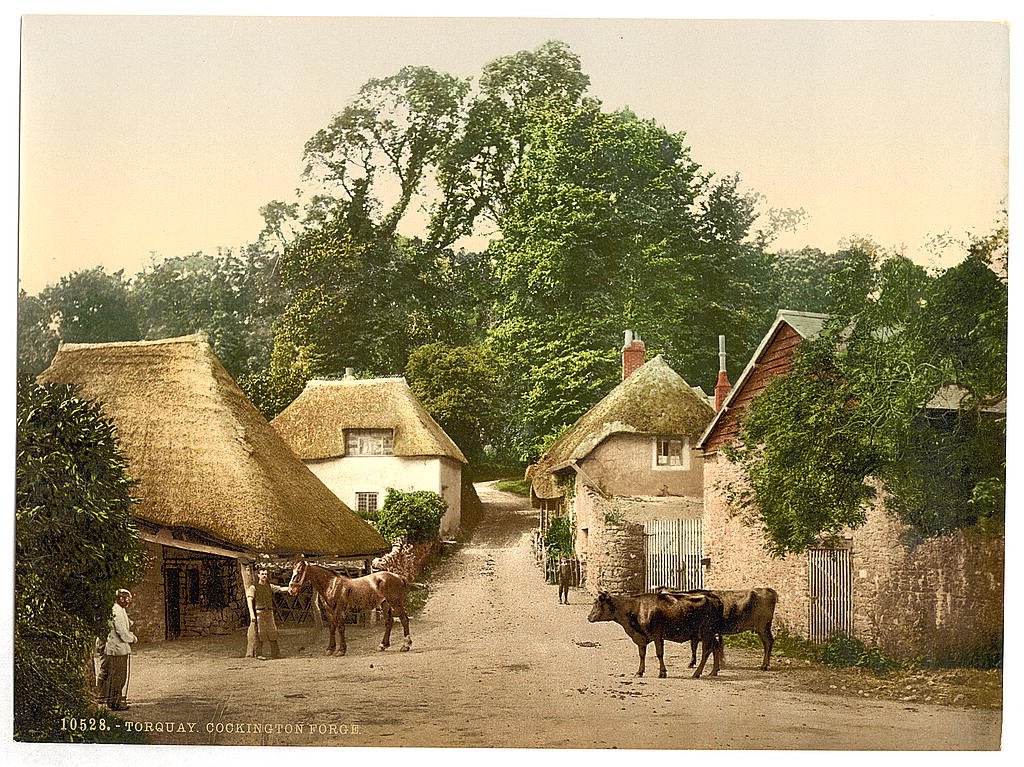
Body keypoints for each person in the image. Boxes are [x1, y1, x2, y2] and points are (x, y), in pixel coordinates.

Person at [97, 589, 136, 710]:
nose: (128, 602)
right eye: (126, 599)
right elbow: (122, 632)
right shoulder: (116, 611)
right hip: (117, 649)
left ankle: (113, 700)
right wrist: (132, 638)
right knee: (118, 676)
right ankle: (115, 702)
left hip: (119, 648)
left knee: (117, 675)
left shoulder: (120, 610)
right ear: (121, 598)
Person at [246, 567, 288, 659]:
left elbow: (280, 589)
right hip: (259, 613)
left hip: (269, 612)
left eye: (265, 574)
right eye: (262, 574)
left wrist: (291, 588)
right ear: (258, 575)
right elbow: (249, 600)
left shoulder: (270, 586)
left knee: (273, 633)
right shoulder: (253, 587)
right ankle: (259, 654)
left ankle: (276, 654)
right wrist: (252, 615)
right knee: (260, 634)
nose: (264, 576)